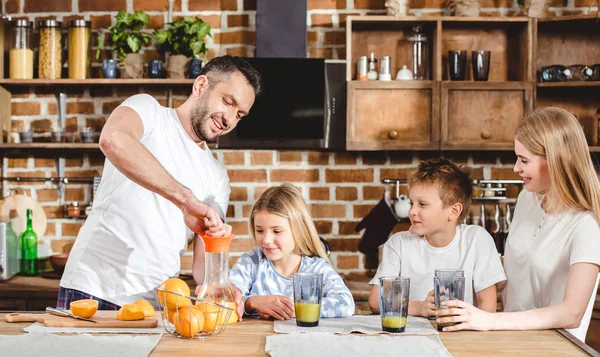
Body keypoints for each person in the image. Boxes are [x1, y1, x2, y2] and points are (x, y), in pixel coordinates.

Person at [58, 56, 262, 319]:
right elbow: (112, 138)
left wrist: (220, 283)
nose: (230, 119)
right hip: (92, 288)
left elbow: (202, 264)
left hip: (157, 305)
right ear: (201, 86)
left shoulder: (217, 175)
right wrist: (185, 199)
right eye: (227, 102)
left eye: (240, 114)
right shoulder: (148, 111)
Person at [438, 107, 600, 342]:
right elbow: (519, 267)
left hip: (554, 347)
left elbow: (572, 313)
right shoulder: (528, 200)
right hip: (511, 339)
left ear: (556, 161)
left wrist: (489, 320)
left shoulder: (586, 226)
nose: (516, 168)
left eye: (524, 160)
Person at [368, 158, 506, 317]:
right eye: (411, 203)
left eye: (422, 204)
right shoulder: (398, 243)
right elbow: (376, 302)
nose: (412, 211)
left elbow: (488, 308)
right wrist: (418, 308)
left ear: (454, 211)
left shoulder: (476, 240)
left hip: (462, 335)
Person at [225, 183, 355, 320]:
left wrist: (294, 308)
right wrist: (253, 303)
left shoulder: (317, 269)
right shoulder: (250, 263)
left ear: (299, 229)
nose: (267, 240)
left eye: (277, 231)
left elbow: (346, 303)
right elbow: (227, 301)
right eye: (260, 230)